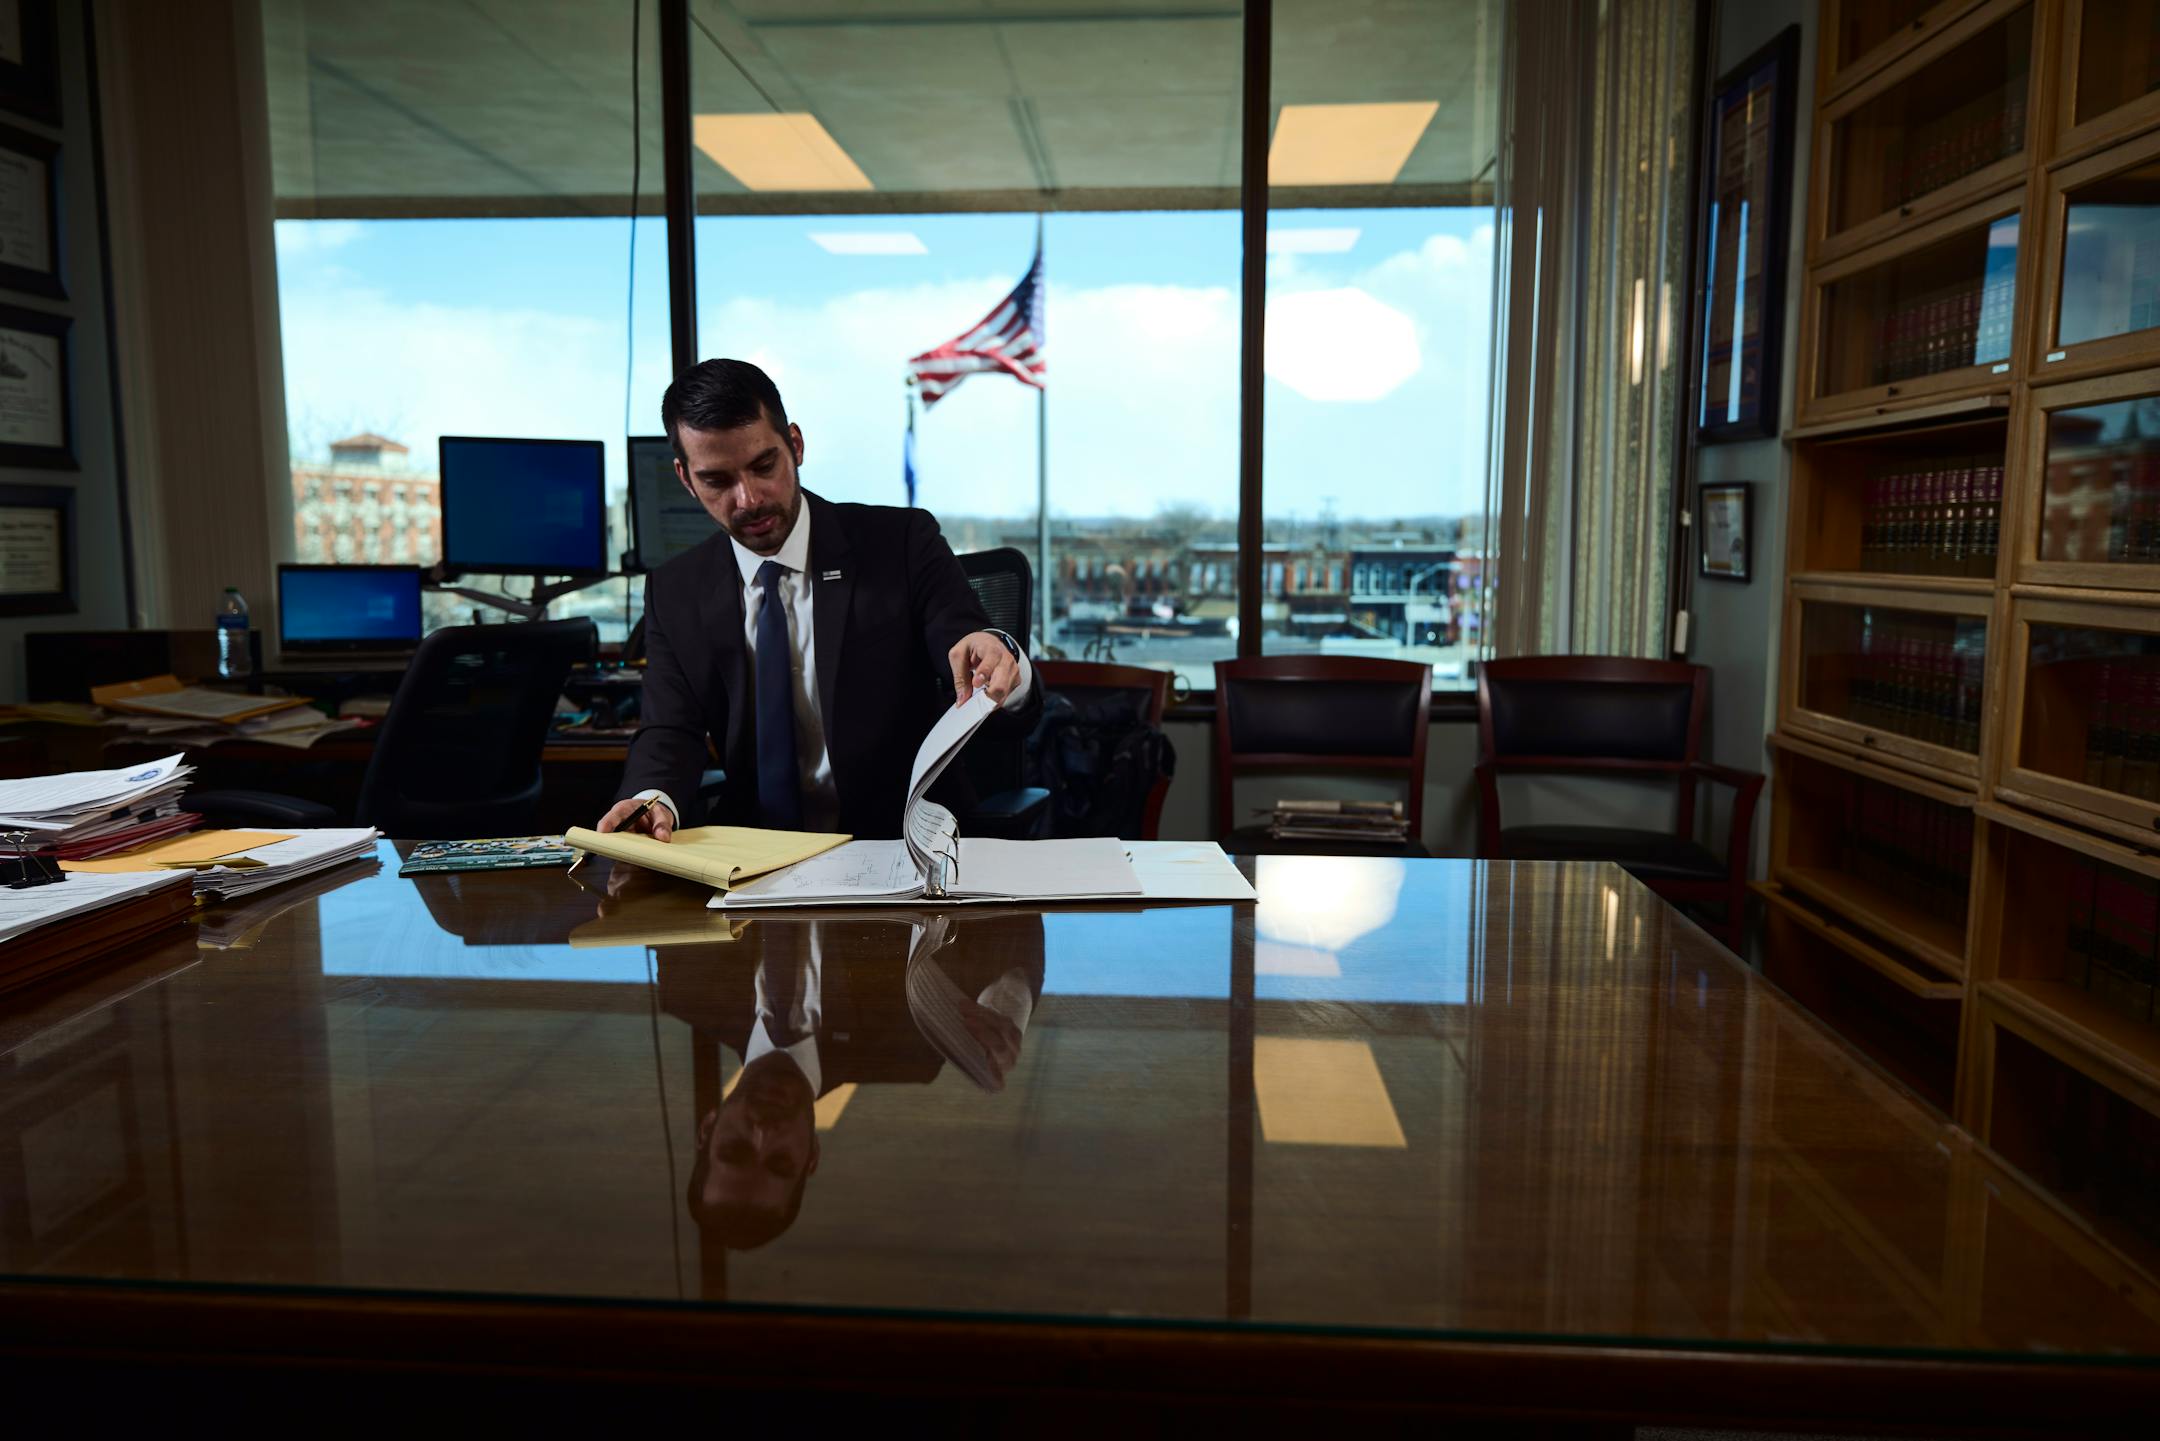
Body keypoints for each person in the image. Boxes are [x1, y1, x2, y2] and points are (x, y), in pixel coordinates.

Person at [596, 358, 1038, 841]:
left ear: (796, 445)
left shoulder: (902, 543)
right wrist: (650, 800)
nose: (748, 499)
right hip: (757, 861)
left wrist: (999, 658)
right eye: (717, 481)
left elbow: (967, 641)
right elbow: (669, 731)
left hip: (903, 846)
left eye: (764, 466)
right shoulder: (676, 590)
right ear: (685, 478)